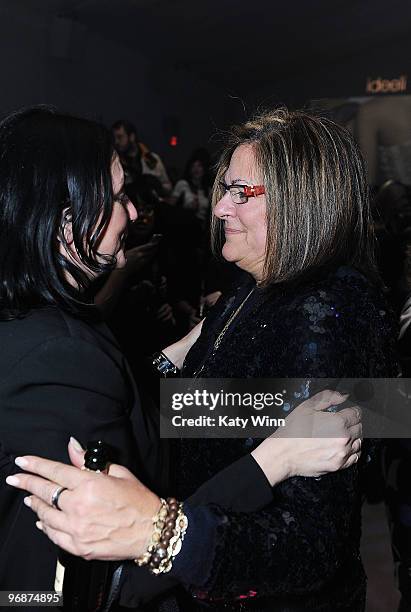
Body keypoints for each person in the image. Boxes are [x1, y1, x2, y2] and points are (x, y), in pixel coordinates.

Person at [7, 109, 396, 612]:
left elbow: (310, 542)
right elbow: (202, 424)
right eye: (222, 189)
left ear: (300, 202)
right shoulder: (246, 289)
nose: (218, 209)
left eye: (240, 192)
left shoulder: (329, 306)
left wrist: (172, 537)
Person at [112, 119, 172, 196]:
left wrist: (157, 186)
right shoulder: (116, 163)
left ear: (132, 137)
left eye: (120, 137)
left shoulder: (152, 159)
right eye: (114, 138)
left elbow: (168, 188)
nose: (116, 142)